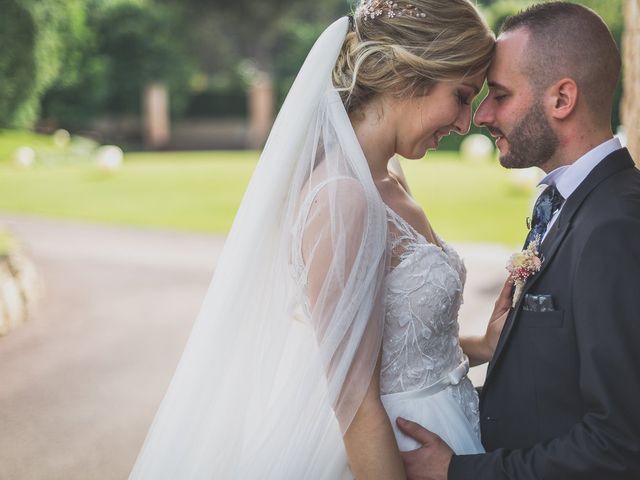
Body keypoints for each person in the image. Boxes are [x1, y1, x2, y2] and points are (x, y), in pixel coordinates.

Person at [129, 1, 501, 478]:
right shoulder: (342, 199)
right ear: (410, 74)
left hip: (444, 441)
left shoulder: (388, 179)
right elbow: (354, 402)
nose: (465, 123)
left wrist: (482, 346)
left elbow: (400, 352)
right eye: (462, 96)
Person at [396, 3, 640, 480]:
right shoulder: (568, 201)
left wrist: (459, 472)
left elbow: (620, 444)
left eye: (500, 95)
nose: (481, 115)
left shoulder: (616, 227)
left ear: (562, 99)